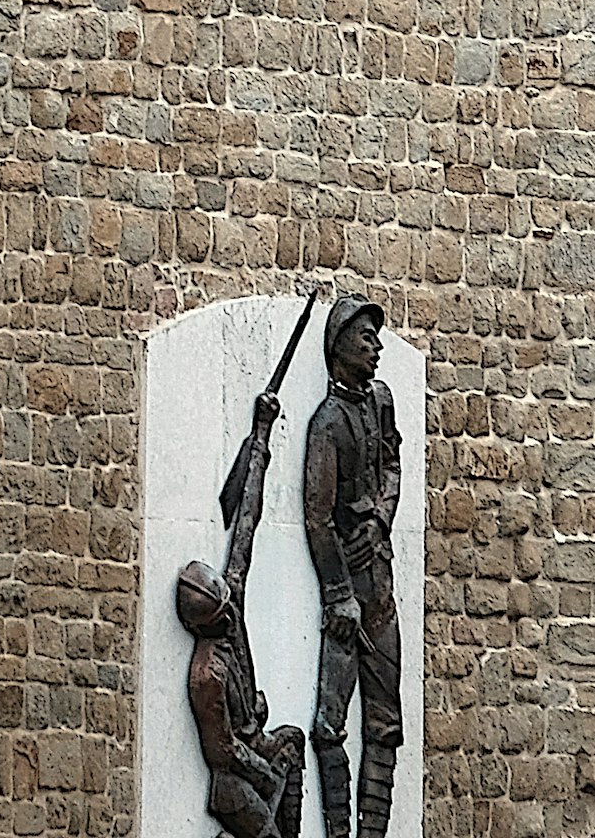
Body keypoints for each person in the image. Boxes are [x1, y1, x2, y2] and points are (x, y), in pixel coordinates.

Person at [298, 296, 403, 838]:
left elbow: (391, 464)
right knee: (328, 722)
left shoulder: (381, 402)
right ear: (340, 346)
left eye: (376, 338)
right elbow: (317, 518)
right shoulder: (327, 423)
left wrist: (382, 517)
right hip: (348, 591)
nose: (377, 347)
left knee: (386, 724)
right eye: (366, 338)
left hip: (381, 585)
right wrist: (338, 593)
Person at [182, 389, 307, 838]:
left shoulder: (229, 604)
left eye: (228, 608)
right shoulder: (207, 674)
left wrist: (262, 433)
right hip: (234, 780)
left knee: (292, 739)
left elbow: (246, 522)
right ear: (203, 624)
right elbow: (222, 751)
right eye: (221, 616)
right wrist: (264, 774)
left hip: (255, 744)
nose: (232, 619)